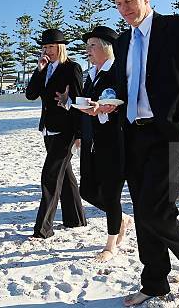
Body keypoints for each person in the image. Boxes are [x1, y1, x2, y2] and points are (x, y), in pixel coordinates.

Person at [103, 0, 179, 305]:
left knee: (156, 210)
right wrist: (106, 102)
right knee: (141, 210)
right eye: (119, 4)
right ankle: (153, 282)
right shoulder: (122, 42)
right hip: (133, 135)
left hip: (169, 134)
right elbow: (123, 87)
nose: (125, 9)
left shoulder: (178, 28)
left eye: (130, 1)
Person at [56, 26, 131, 262]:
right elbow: (87, 105)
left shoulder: (118, 72)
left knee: (111, 194)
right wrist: (69, 103)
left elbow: (122, 105)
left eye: (92, 45)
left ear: (107, 47)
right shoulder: (93, 74)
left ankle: (111, 245)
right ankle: (121, 219)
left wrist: (104, 110)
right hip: (91, 142)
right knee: (87, 190)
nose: (87, 50)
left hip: (114, 142)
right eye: (87, 46)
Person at [25, 29, 86, 239]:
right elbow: (30, 95)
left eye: (51, 46)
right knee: (65, 174)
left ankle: (43, 228)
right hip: (48, 129)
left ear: (60, 47)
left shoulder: (73, 68)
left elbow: (79, 102)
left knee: (50, 176)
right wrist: (38, 70)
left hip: (66, 130)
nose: (47, 50)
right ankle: (75, 219)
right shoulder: (45, 69)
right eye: (45, 47)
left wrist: (79, 132)